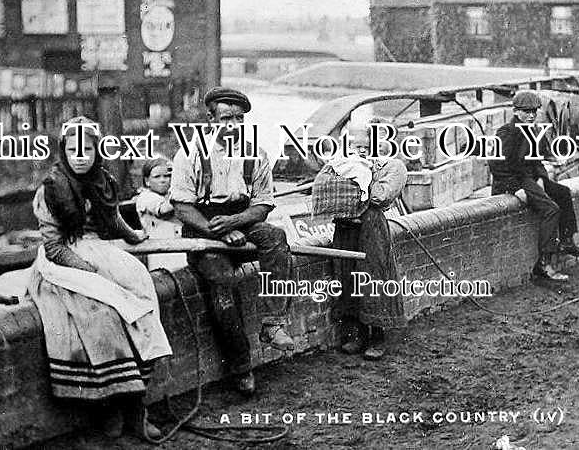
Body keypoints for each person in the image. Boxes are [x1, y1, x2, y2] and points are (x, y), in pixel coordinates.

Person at [27, 116, 172, 440]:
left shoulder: (102, 180)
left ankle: (137, 407)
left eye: (88, 149)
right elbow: (52, 244)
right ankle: (110, 407)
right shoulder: (52, 187)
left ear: (97, 151)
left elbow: (113, 217)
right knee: (101, 316)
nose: (81, 156)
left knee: (142, 294)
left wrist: (134, 236)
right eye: (74, 149)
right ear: (64, 150)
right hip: (63, 259)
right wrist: (87, 272)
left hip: (99, 249)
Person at [170, 87, 294, 395]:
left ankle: (273, 324)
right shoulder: (190, 153)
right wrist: (219, 232)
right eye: (227, 118)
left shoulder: (256, 155)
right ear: (210, 120)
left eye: (239, 119)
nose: (234, 126)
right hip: (203, 233)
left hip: (243, 223)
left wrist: (237, 222)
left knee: (277, 239)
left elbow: (263, 204)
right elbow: (182, 207)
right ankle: (241, 367)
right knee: (223, 283)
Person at [312, 121, 408, 360]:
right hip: (344, 227)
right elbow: (325, 187)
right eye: (355, 147)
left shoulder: (393, 166)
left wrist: (365, 172)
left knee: (373, 276)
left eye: (368, 146)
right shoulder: (342, 164)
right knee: (346, 278)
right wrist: (349, 170)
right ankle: (358, 335)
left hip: (371, 228)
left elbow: (379, 197)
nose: (362, 151)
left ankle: (378, 337)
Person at [489, 90, 579, 281]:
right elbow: (496, 165)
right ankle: (544, 263)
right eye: (526, 112)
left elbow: (537, 161)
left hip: (529, 179)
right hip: (513, 181)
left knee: (563, 192)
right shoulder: (506, 132)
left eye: (534, 112)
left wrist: (542, 179)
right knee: (551, 209)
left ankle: (567, 241)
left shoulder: (534, 131)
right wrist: (514, 189)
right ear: (516, 112)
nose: (531, 116)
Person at [135, 157, 185, 271]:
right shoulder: (145, 197)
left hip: (181, 248)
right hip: (160, 252)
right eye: (157, 177)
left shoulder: (171, 196)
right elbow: (163, 210)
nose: (163, 180)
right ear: (147, 180)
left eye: (167, 176)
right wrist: (185, 193)